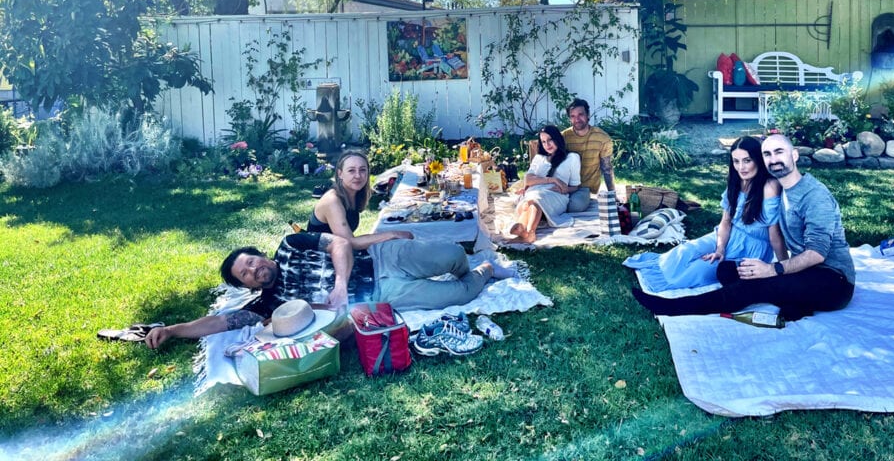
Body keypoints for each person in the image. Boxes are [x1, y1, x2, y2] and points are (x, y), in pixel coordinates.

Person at [145, 231, 515, 349]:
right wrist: (173, 330)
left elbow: (339, 243)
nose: (255, 271)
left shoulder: (292, 244)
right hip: (382, 295)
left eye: (252, 262)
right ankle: (484, 271)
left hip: (381, 257)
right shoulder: (270, 305)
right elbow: (220, 322)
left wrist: (339, 285)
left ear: (259, 254)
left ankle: (470, 262)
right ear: (246, 285)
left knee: (451, 255)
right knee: (459, 295)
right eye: (246, 275)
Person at [631, 133, 855, 322]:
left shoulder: (814, 196)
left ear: (794, 155)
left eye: (779, 152)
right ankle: (796, 305)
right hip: (806, 273)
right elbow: (769, 229)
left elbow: (817, 253)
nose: (773, 159)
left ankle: (669, 307)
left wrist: (773, 268)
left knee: (752, 288)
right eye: (767, 154)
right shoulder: (782, 189)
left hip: (834, 281)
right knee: (727, 270)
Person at [624, 136, 787, 291]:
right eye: (736, 161)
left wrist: (784, 269)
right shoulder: (737, 182)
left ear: (758, 160)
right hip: (728, 235)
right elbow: (725, 222)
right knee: (686, 251)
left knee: (697, 270)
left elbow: (775, 236)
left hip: (750, 249)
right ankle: (653, 268)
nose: (741, 167)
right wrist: (720, 248)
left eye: (747, 161)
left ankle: (662, 281)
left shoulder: (769, 187)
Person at [509, 125, 581, 243]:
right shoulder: (539, 158)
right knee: (530, 201)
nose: (547, 145)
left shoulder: (572, 157)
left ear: (557, 138)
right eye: (543, 142)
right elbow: (528, 180)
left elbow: (575, 186)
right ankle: (528, 232)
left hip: (556, 195)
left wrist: (565, 189)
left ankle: (524, 229)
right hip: (534, 192)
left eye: (550, 140)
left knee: (535, 199)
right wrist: (552, 179)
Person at [562, 98, 617, 210]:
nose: (577, 119)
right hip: (563, 184)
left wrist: (613, 194)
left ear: (588, 115)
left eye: (580, 114)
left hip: (584, 187)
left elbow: (607, 168)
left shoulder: (602, 138)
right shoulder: (563, 137)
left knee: (575, 206)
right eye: (573, 116)